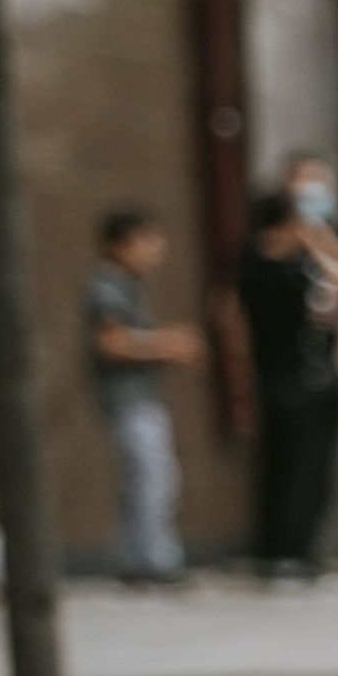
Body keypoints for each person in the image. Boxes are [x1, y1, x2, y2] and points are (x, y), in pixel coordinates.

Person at [238, 188, 338, 580]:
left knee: (281, 468)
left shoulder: (247, 263)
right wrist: (319, 243)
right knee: (302, 470)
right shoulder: (290, 269)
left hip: (272, 379)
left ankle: (276, 551)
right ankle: (292, 552)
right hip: (302, 381)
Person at [84, 209, 203, 586]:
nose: (155, 251)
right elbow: (111, 342)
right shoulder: (107, 285)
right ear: (121, 244)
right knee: (152, 478)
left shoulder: (126, 285)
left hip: (137, 397)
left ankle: (136, 558)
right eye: (146, 241)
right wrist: (165, 344)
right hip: (128, 399)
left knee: (146, 479)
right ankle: (152, 560)